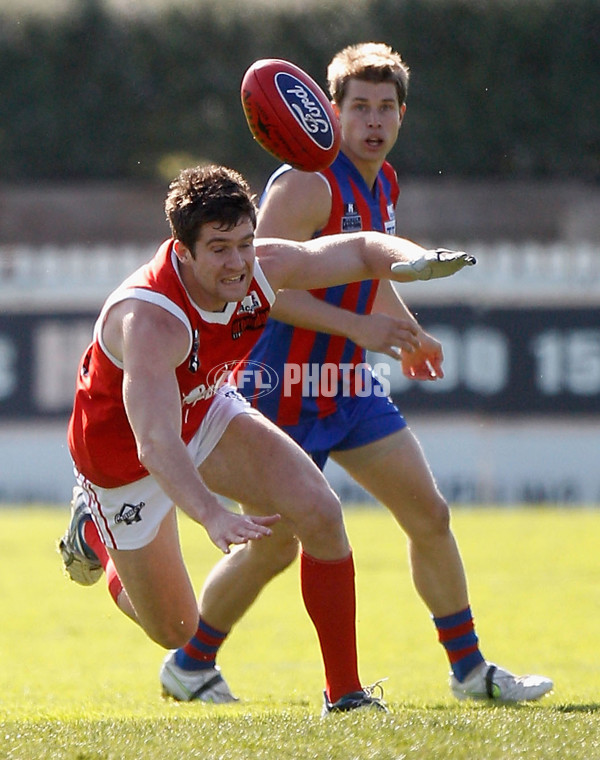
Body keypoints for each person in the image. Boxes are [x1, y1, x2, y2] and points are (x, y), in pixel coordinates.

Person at [194, 43, 553, 704]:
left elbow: (368, 269)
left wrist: (406, 331)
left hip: (350, 389)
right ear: (330, 112)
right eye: (359, 106)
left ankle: (470, 671)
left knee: (430, 514)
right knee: (272, 548)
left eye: (386, 107)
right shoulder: (306, 180)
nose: (374, 120)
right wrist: (362, 330)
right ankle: (192, 660)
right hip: (279, 393)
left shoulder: (383, 182)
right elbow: (258, 284)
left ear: (402, 115)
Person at [58, 163, 475, 714]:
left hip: (204, 410)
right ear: (181, 251)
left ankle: (345, 695)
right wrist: (211, 512)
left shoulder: (262, 265)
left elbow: (361, 249)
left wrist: (413, 261)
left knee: (319, 512)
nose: (237, 263)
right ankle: (95, 536)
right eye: (220, 249)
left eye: (245, 243)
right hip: (122, 462)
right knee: (176, 629)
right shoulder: (150, 318)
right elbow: (155, 445)